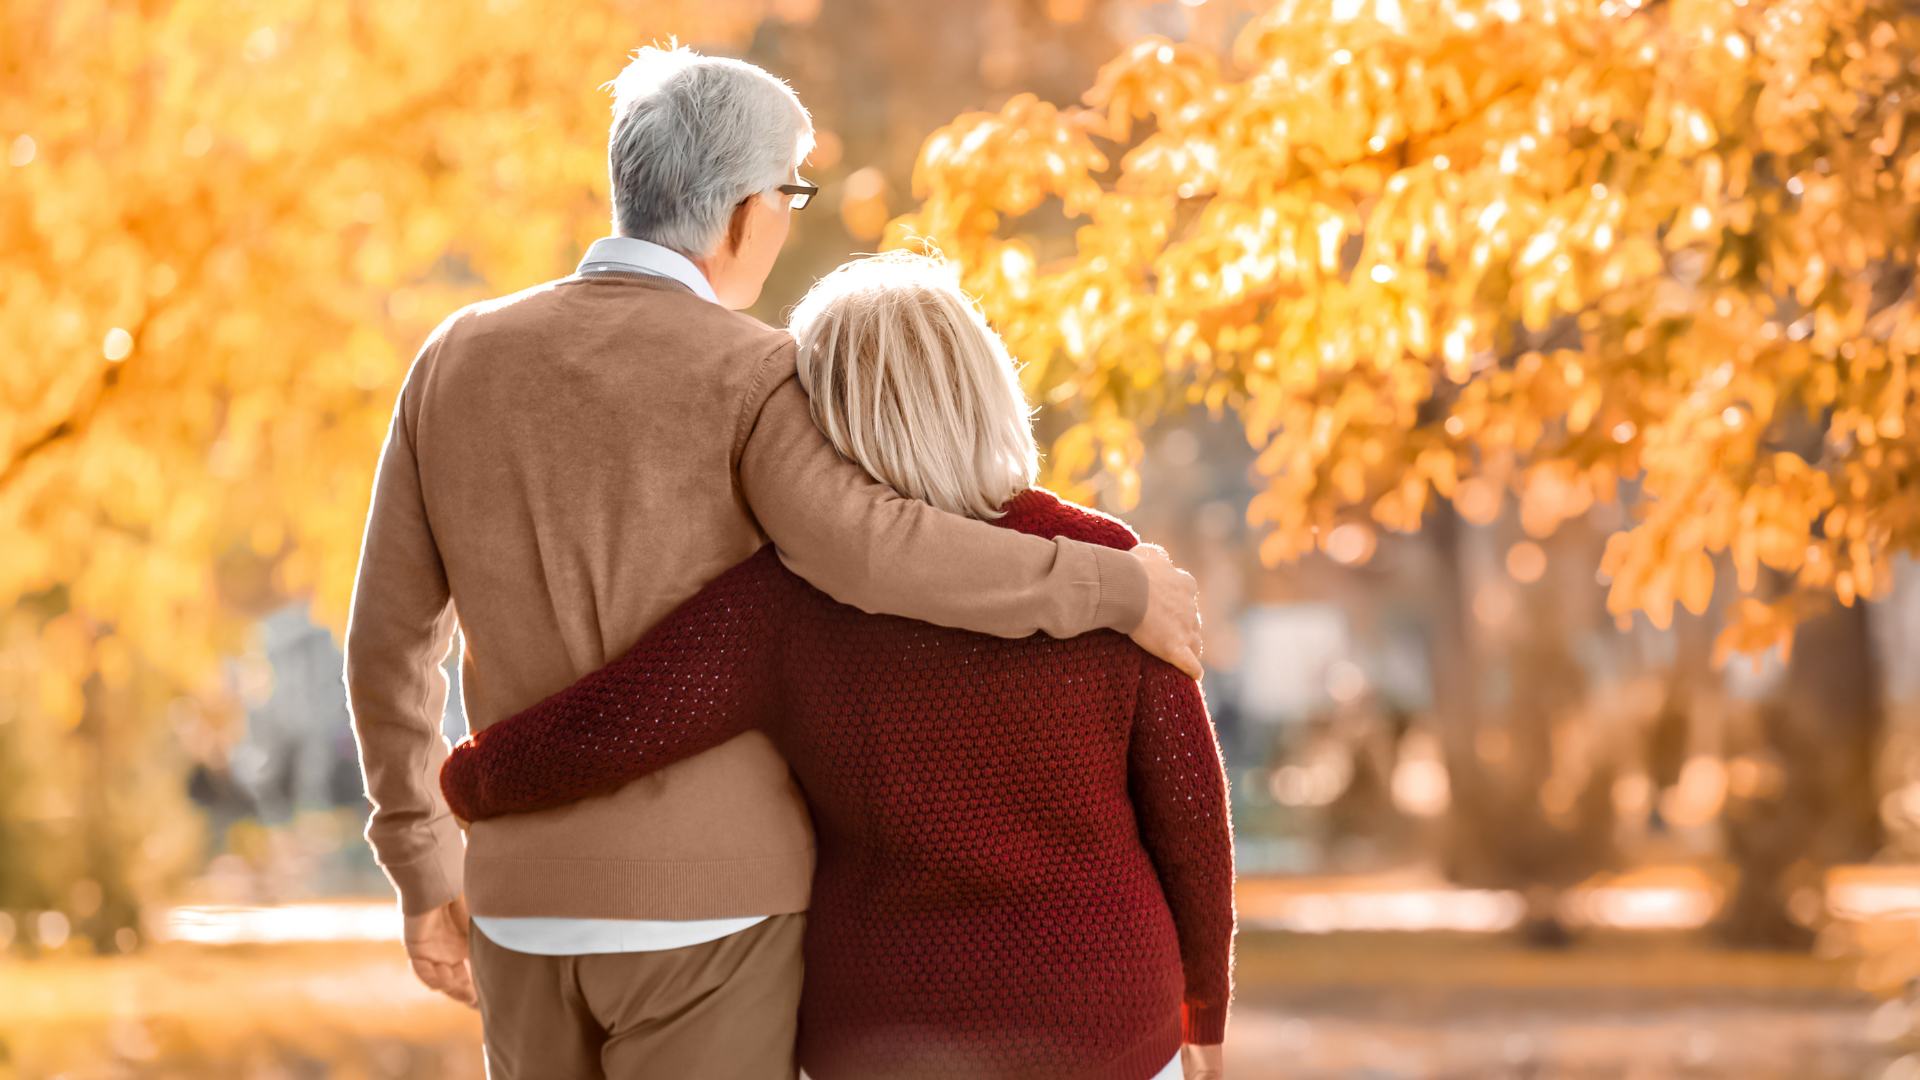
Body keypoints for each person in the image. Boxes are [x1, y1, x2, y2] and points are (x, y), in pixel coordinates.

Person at [343, 47, 1204, 1079]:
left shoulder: (452, 359)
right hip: (717, 911)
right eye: (791, 195)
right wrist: (1112, 586)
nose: (789, 221)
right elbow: (877, 552)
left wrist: (420, 858)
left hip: (522, 906)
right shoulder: (752, 373)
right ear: (748, 212)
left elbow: (388, 645)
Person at [440, 252, 1235, 1080]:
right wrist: (1204, 1011)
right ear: (986, 386)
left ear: (823, 419)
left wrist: (470, 778)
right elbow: (1189, 813)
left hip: (881, 1031)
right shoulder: (1110, 566)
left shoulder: (786, 599)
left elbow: (619, 725)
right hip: (1106, 1024)